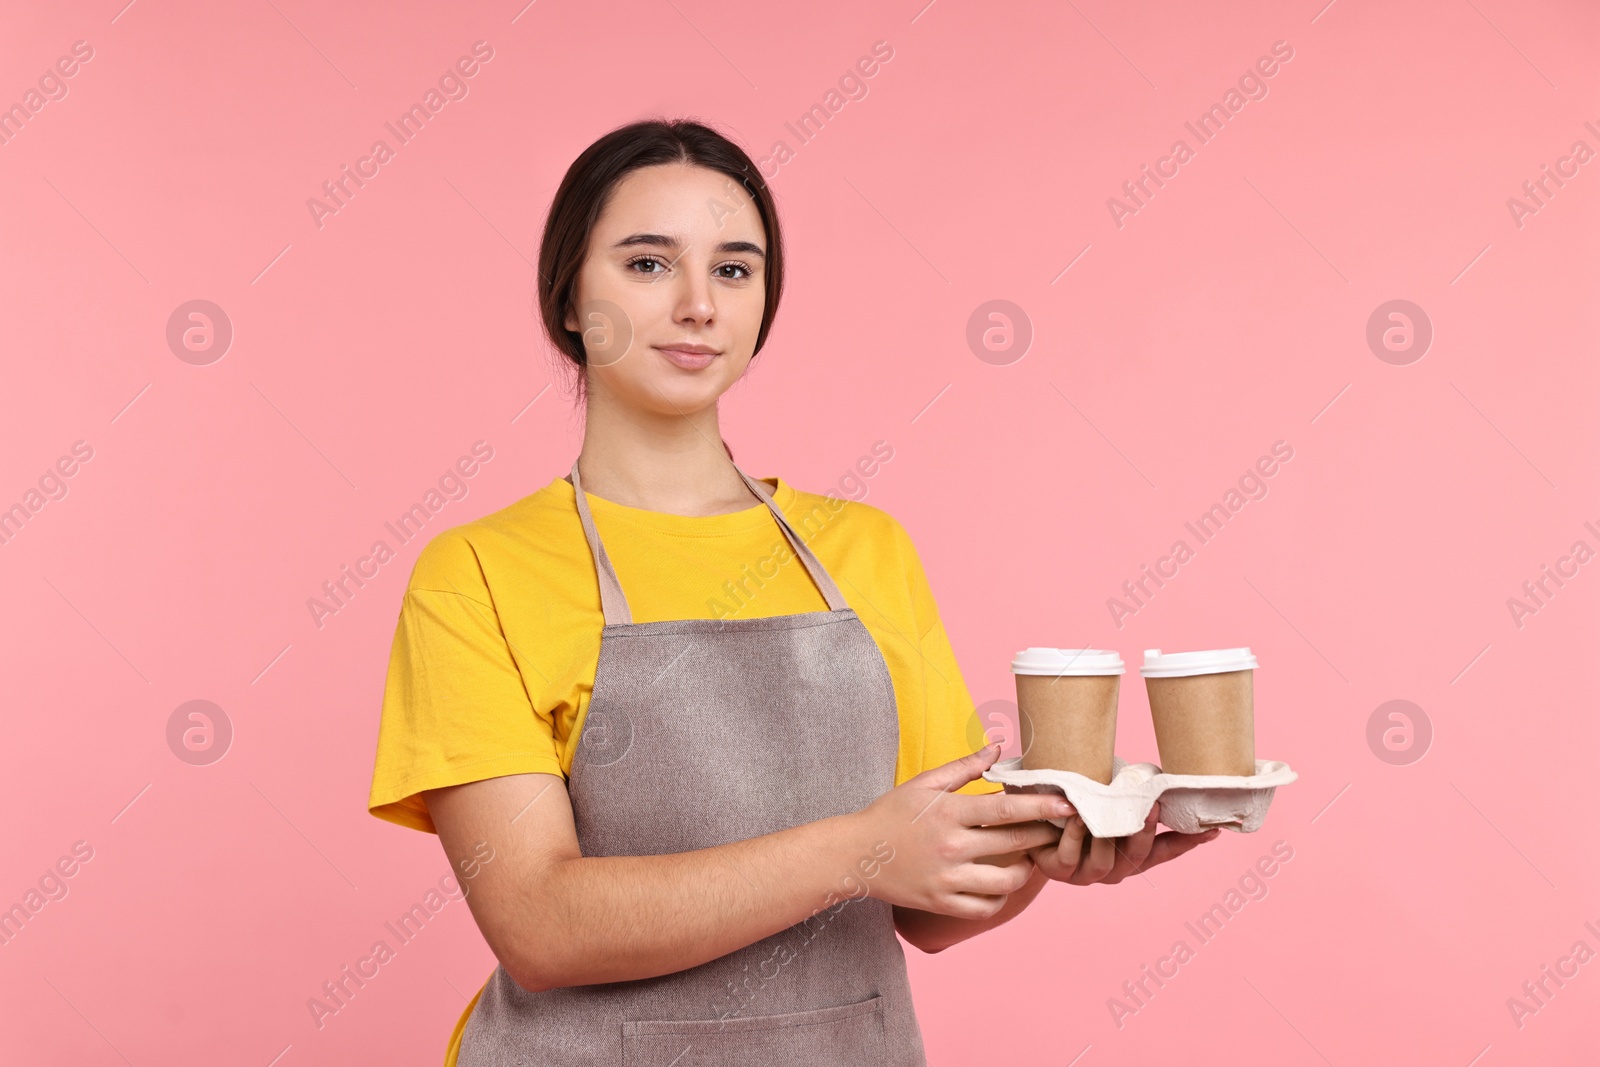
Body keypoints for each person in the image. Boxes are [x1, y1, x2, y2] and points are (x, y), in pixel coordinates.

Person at [366, 117, 1218, 1066]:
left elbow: (924, 904)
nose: (698, 305)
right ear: (569, 298)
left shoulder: (865, 548)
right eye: (648, 264)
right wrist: (856, 850)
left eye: (735, 270)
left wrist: (1056, 852)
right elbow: (539, 923)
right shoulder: (479, 571)